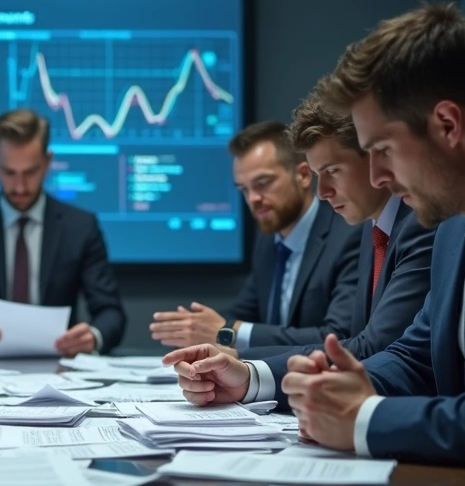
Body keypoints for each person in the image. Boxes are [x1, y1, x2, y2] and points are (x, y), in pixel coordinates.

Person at [170, 2, 465, 486]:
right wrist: (264, 382)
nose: (379, 177)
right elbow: (416, 356)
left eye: (382, 151)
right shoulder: (453, 223)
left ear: (448, 124)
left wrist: (366, 422)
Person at [167, 92, 436, 399]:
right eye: (244, 189)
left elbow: (369, 346)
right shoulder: (370, 228)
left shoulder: (414, 225)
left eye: (332, 171)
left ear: (376, 156)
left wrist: (249, 368)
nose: (323, 192)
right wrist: (229, 357)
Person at [0, 108, 126, 357]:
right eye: (9, 172)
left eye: (30, 172)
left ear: (48, 162)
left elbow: (111, 312)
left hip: (63, 371)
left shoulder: (80, 226)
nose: (19, 186)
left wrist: (92, 337)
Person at [150, 121, 360, 349]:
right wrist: (198, 327)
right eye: (244, 189)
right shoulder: (268, 241)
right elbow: (243, 314)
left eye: (263, 183)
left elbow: (338, 337)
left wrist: (227, 332)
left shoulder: (348, 235)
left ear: (303, 175)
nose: (253, 199)